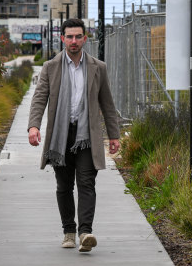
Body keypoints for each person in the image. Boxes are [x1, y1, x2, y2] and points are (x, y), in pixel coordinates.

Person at [27, 18, 120, 253]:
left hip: (87, 135)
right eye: (69, 37)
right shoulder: (51, 67)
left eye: (78, 36)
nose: (74, 41)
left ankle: (85, 233)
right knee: (64, 185)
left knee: (87, 182)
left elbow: (107, 103)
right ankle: (68, 231)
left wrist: (114, 135)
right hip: (61, 135)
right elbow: (39, 99)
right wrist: (33, 126)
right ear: (63, 38)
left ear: (85, 39)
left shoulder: (98, 67)